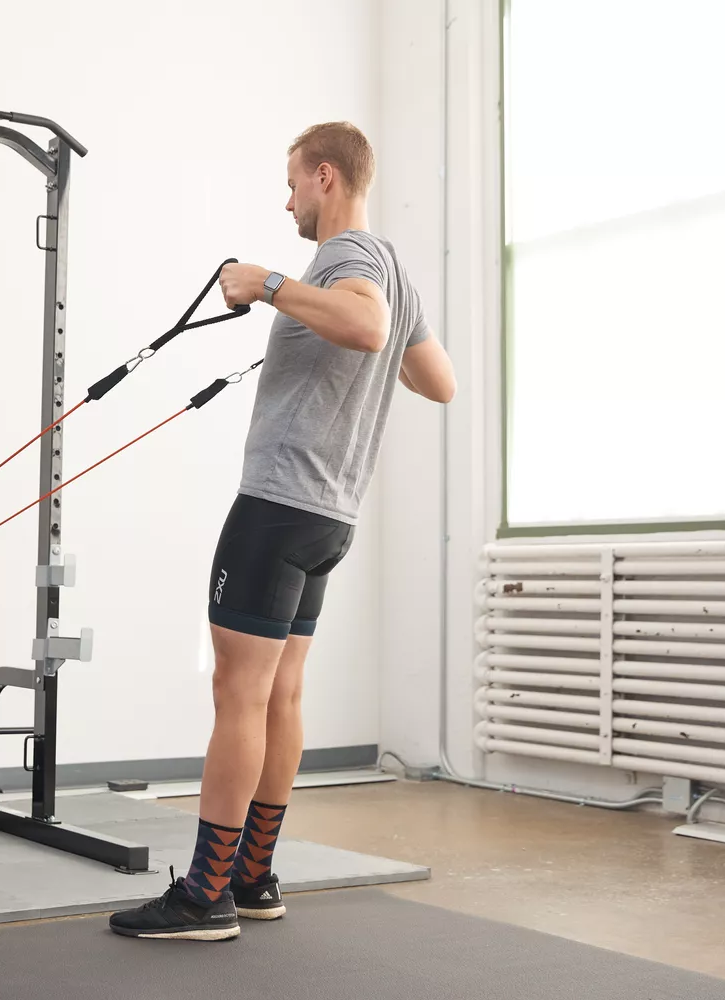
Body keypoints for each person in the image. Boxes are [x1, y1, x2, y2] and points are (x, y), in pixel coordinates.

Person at [108, 121, 457, 941]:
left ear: (327, 177)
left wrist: (268, 284)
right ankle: (256, 876)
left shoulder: (349, 259)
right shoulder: (395, 272)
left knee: (238, 696)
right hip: (330, 514)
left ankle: (204, 896)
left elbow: (366, 328)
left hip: (278, 505)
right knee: (282, 695)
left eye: (294, 181)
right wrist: (354, 350)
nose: (288, 197)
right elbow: (435, 379)